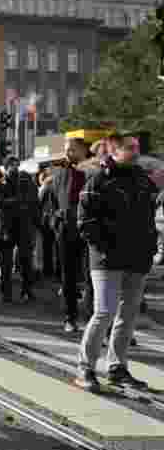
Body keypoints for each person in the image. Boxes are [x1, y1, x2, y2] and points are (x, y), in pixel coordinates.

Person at [73, 133, 159, 392]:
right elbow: (84, 221)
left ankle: (117, 368)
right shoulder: (98, 180)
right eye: (129, 148)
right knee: (105, 312)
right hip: (107, 259)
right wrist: (105, 247)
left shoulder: (142, 181)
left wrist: (149, 248)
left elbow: (148, 217)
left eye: (137, 148)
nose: (135, 152)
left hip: (136, 259)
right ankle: (84, 368)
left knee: (128, 315)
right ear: (114, 150)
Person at [42, 138, 93, 334]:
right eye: (66, 150)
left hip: (87, 231)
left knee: (91, 277)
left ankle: (91, 319)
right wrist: (56, 222)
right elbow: (50, 203)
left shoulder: (91, 172)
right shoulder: (58, 174)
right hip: (65, 231)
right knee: (68, 277)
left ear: (82, 151)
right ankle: (70, 317)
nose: (68, 153)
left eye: (72, 150)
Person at [0, 156, 38, 303]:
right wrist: (20, 202)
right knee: (6, 265)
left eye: (17, 165)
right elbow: (0, 204)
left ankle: (27, 291)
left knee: (25, 262)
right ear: (6, 168)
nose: (15, 168)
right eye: (12, 166)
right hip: (4, 229)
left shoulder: (24, 181)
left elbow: (32, 200)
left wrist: (15, 202)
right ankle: (6, 294)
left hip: (21, 227)